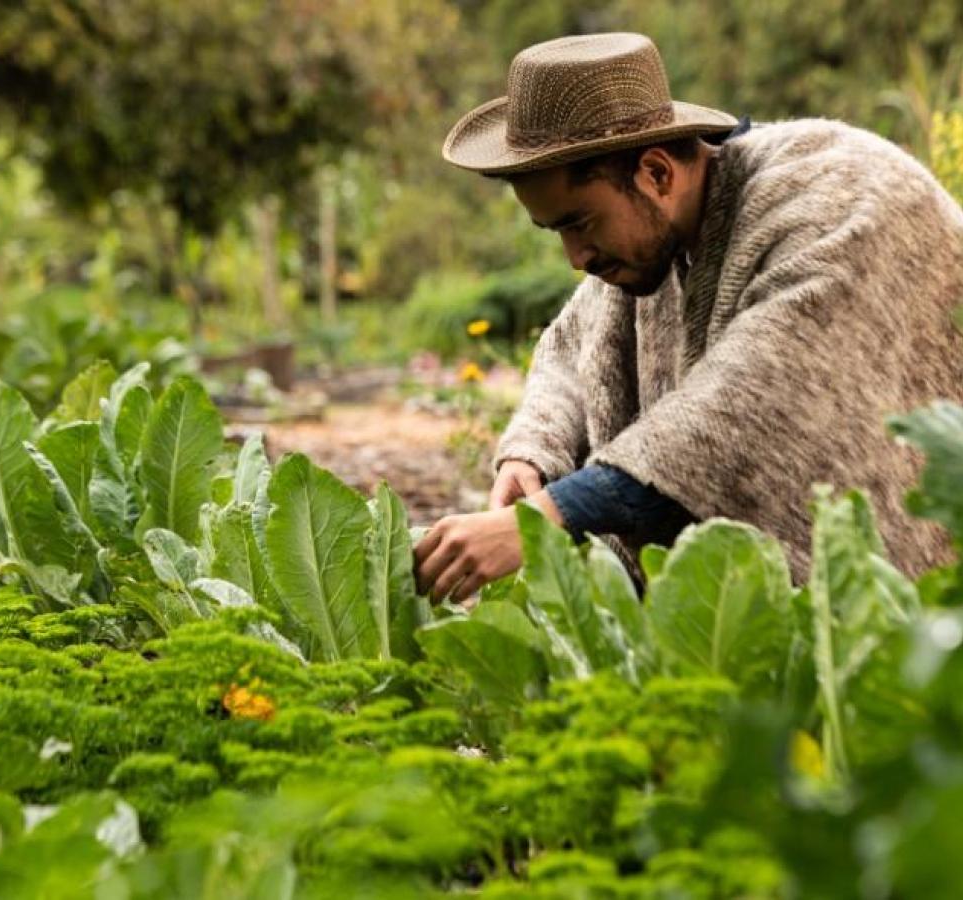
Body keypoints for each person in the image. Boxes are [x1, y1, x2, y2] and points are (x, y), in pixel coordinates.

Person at [413, 32, 963, 602]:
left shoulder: (846, 199)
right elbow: (571, 352)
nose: (575, 259)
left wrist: (546, 517)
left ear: (656, 174)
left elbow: (752, 405)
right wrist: (531, 454)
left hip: (924, 613)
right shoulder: (654, 235)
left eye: (580, 224)